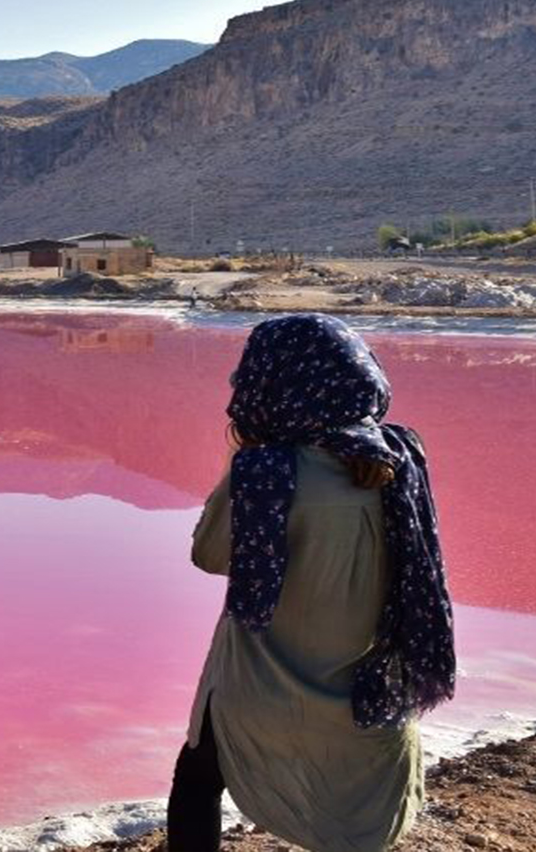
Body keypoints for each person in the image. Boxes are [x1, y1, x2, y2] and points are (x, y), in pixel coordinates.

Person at [167, 313, 456, 852]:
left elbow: (209, 555)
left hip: (259, 682)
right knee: (358, 812)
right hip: (368, 687)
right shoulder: (400, 461)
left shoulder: (268, 473)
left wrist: (241, 468)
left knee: (198, 782)